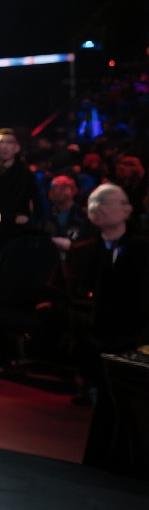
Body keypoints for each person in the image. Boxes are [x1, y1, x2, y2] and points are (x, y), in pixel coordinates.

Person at [64, 185, 149, 448]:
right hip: (93, 331)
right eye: (118, 202)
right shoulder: (83, 250)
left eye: (125, 202)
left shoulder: (141, 250)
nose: (127, 207)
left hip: (132, 334)